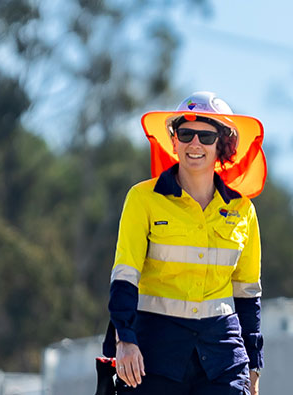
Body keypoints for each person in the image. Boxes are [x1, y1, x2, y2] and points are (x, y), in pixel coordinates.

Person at [107, 91, 268, 394]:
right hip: (153, 352)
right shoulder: (142, 199)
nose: (195, 144)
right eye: (186, 134)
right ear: (174, 141)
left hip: (222, 355)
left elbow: (248, 294)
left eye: (206, 137)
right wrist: (125, 340)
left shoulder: (243, 210)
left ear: (223, 144)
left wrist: (253, 364)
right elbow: (125, 275)